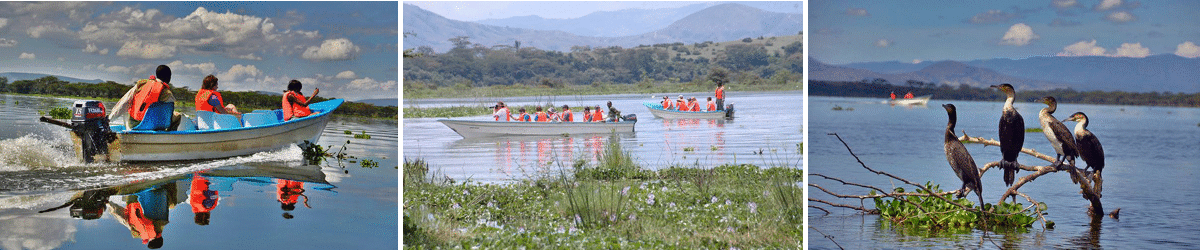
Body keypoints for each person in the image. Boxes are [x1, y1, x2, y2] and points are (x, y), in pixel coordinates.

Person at [109, 65, 182, 130]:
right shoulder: (167, 93)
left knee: (129, 110)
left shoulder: (141, 84)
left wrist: (109, 119)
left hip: (134, 125)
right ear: (168, 77)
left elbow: (124, 102)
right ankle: (168, 137)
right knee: (178, 115)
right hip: (156, 125)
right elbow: (168, 112)